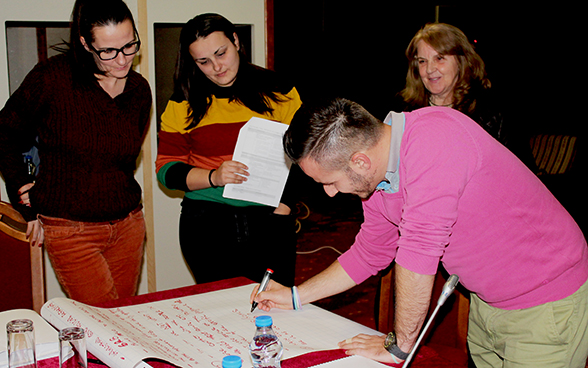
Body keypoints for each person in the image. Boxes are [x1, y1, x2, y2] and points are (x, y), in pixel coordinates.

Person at [251, 98, 588, 367]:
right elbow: (370, 252)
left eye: (329, 182)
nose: (329, 193)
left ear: (359, 161)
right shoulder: (380, 178)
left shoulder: (433, 140)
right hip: (489, 300)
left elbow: (418, 254)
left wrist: (399, 346)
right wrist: (296, 296)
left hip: (548, 301)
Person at [0, 0, 152, 305]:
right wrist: (22, 193)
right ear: (85, 43)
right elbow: (6, 133)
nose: (122, 59)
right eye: (108, 51)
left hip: (128, 227)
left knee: (121, 319)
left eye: (129, 45)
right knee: (100, 324)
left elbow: (123, 159)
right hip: (71, 231)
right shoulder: (52, 79)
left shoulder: (138, 90)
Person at [155, 13, 302, 286]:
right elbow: (166, 171)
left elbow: (305, 154)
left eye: (221, 53)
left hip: (269, 219)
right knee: (220, 310)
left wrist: (285, 205)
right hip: (206, 224)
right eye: (203, 62)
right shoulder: (181, 104)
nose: (216, 67)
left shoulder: (279, 91)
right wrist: (214, 176)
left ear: (236, 41)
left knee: (276, 307)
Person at [399, 22, 536, 170]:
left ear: (461, 61)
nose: (430, 69)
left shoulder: (492, 112)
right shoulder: (405, 113)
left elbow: (522, 172)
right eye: (422, 61)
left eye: (439, 58)